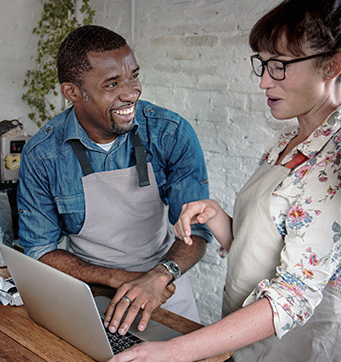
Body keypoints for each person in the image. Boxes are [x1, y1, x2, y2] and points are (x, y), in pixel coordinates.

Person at [110, 0, 341, 361]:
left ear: (332, 65)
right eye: (262, 63)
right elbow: (258, 249)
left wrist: (175, 351)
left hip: (299, 345)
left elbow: (294, 295)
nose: (263, 81)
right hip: (248, 334)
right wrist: (215, 215)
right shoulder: (286, 141)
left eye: (279, 67)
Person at [16, 25, 213, 335]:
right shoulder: (43, 154)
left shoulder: (170, 132)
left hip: (165, 289)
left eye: (133, 76)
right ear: (72, 92)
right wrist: (115, 277)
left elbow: (197, 230)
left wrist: (159, 275)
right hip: (88, 292)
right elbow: (39, 250)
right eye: (112, 84)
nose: (131, 92)